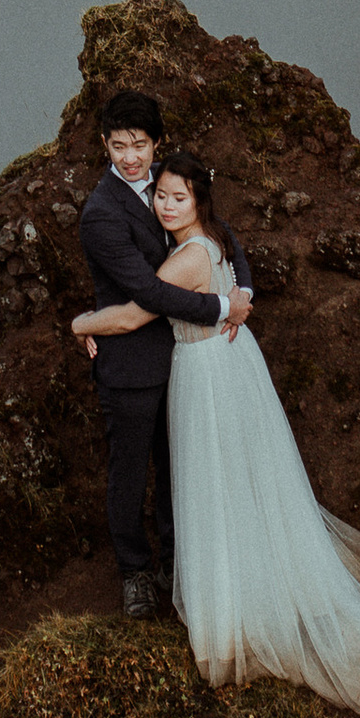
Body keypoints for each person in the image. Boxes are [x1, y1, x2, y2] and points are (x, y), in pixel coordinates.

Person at [74, 147, 360, 718]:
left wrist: (79, 323)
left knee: (212, 480)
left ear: (198, 201)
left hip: (206, 375)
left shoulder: (189, 257)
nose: (165, 205)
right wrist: (234, 304)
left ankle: (231, 603)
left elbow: (134, 315)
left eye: (177, 197)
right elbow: (235, 272)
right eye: (161, 195)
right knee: (237, 476)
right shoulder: (212, 237)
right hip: (227, 364)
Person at [76, 88, 252, 620]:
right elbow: (147, 296)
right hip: (130, 363)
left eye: (140, 144)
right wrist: (222, 304)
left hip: (186, 363)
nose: (130, 157)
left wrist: (245, 290)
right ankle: (134, 572)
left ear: (156, 143)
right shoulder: (101, 215)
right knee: (129, 475)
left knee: (181, 470)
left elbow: (225, 236)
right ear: (104, 145)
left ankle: (177, 565)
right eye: (119, 145)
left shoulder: (172, 183)